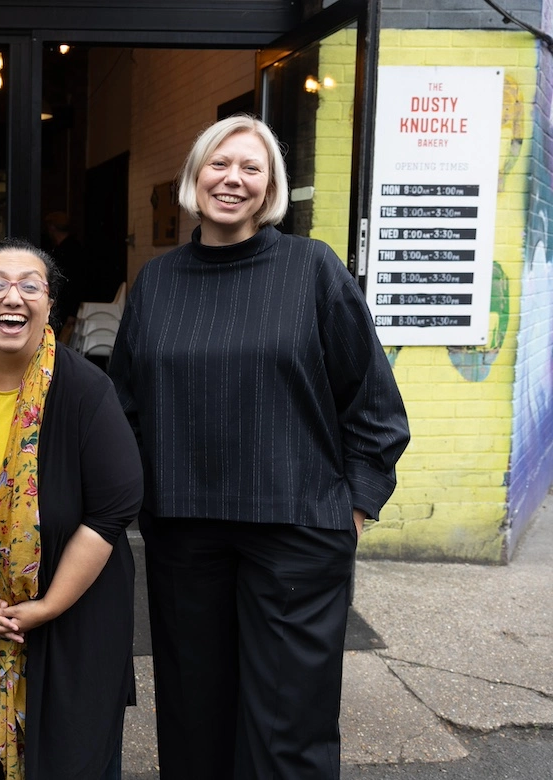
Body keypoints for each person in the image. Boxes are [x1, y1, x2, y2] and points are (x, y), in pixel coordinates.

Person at [108, 115, 410, 779]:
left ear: (270, 185)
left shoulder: (312, 269)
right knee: (193, 717)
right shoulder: (156, 283)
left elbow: (374, 402)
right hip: (185, 534)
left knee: (287, 725)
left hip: (297, 531)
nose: (233, 180)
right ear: (194, 176)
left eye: (251, 167)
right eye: (220, 164)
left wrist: (353, 506)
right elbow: (124, 406)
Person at [0, 238, 144, 779]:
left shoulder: (86, 390)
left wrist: (46, 607)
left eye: (29, 285)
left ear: (49, 307)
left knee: (68, 761)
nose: (11, 297)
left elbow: (112, 510)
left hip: (71, 627)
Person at [42, 212, 86, 343]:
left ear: (52, 228)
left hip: (65, 307)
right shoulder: (72, 248)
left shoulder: (67, 251)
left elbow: (76, 282)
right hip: (64, 306)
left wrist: (72, 312)